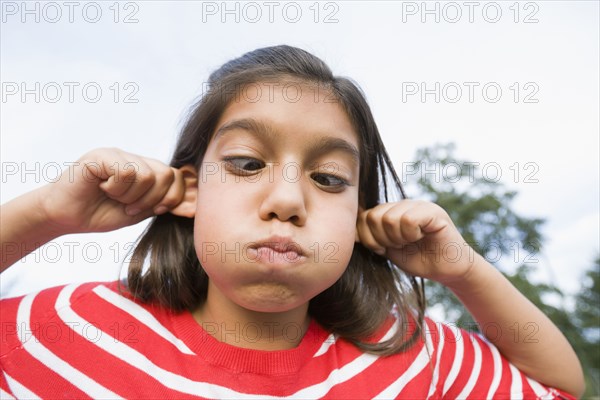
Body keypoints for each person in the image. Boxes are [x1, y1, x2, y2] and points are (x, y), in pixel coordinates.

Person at [0, 45, 584, 399]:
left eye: (328, 178)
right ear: (189, 191)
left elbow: (558, 388)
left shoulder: (410, 355)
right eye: (247, 163)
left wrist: (462, 270)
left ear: (360, 220)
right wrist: (47, 213)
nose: (288, 201)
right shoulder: (69, 330)